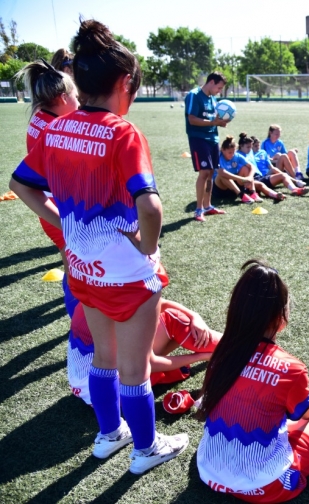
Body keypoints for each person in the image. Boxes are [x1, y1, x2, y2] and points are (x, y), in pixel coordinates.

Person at [10, 18, 188, 474]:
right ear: (125, 82)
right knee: (135, 370)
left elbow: (21, 184)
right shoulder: (123, 133)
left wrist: (63, 226)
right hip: (127, 274)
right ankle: (145, 450)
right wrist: (148, 248)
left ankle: (109, 436)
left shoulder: (57, 129)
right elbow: (150, 206)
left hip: (82, 268)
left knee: (103, 360)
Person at [197, 260, 309, 503]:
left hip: (208, 472)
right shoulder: (290, 368)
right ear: (281, 316)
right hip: (266, 487)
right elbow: (304, 414)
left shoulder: (222, 352)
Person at [16, 59, 80, 317]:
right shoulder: (54, 128)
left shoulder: (41, 117)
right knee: (77, 271)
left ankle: (76, 316)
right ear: (63, 98)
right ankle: (79, 323)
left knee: (72, 265)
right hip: (55, 208)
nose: (79, 101)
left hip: (51, 206)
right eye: (76, 95)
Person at [69, 297, 222, 405]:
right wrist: (201, 357)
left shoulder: (99, 293)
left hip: (89, 387)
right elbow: (151, 363)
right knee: (173, 320)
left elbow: (160, 304)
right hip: (116, 395)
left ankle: (232, 346)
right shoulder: (120, 312)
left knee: (164, 317)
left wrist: (195, 315)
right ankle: (238, 347)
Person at [185, 72, 229, 222]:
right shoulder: (194, 95)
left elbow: (213, 119)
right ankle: (198, 210)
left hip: (213, 138)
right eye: (219, 87)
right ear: (211, 82)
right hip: (198, 138)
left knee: (211, 173)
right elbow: (192, 119)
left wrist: (221, 122)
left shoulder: (213, 99)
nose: (219, 91)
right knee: (204, 173)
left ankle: (208, 206)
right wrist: (213, 123)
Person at [240, 134, 306, 197]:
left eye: (258, 145)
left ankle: (295, 188)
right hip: (257, 178)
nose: (257, 147)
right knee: (262, 184)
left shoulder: (261, 152)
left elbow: (270, 165)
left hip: (263, 176)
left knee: (282, 173)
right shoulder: (244, 155)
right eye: (254, 146)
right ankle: (276, 195)